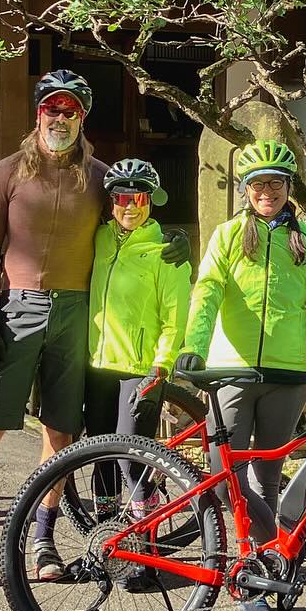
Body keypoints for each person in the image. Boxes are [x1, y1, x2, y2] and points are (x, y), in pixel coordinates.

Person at [0, 70, 187, 593]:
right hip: (19, 310)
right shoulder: (5, 173)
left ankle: (44, 541)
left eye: (71, 110)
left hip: (79, 315)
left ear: (83, 117)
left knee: (60, 431)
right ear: (37, 113)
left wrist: (175, 242)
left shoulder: (99, 177)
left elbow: (133, 218)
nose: (60, 117)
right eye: (51, 107)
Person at [174, 139, 306, 611]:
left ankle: (255, 581)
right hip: (231, 372)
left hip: (286, 375)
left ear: (288, 189)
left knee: (267, 479)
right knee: (225, 481)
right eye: (259, 184)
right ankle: (274, 556)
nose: (268, 191)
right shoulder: (226, 237)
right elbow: (207, 294)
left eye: (276, 184)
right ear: (246, 190)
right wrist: (194, 346)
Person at [84, 157, 190, 462]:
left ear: (151, 200)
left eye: (139, 198)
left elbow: (174, 320)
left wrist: (160, 369)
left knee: (131, 460)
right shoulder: (100, 238)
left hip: (140, 369)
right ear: (111, 201)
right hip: (97, 365)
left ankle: (147, 509)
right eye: (121, 198)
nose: (130, 207)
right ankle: (107, 513)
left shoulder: (166, 252)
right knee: (99, 456)